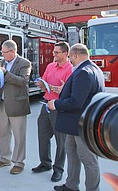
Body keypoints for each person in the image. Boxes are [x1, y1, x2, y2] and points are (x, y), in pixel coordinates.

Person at [48, 43, 105, 191]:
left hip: (81, 125)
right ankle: (71, 185)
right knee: (71, 153)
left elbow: (76, 102)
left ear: (74, 55)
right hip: (74, 124)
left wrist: (56, 104)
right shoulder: (94, 69)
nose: (70, 61)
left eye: (71, 57)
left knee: (88, 159)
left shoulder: (83, 72)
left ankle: (92, 189)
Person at [32, 41, 72, 182]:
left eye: (56, 52)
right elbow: (44, 82)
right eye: (53, 52)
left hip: (59, 108)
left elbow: (69, 92)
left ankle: (58, 169)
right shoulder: (50, 66)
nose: (53, 54)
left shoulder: (70, 70)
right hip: (46, 105)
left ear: (65, 53)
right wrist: (42, 84)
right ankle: (45, 163)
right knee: (43, 136)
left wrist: (60, 89)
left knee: (61, 141)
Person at [0, 39, 32, 175]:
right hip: (3, 103)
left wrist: (5, 73)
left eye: (4, 52)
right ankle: (4, 158)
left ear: (12, 52)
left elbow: (22, 81)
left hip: (17, 104)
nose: (2, 55)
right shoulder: (3, 62)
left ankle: (19, 162)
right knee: (2, 132)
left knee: (19, 135)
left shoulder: (24, 63)